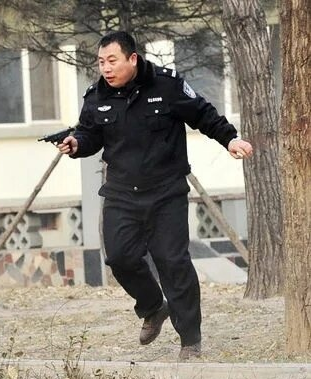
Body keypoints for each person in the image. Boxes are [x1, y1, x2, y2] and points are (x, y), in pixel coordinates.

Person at [57, 31, 253, 360]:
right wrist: (76, 144)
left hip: (166, 192)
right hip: (121, 193)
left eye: (112, 61)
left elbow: (204, 115)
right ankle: (152, 307)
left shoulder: (167, 86)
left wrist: (230, 139)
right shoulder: (96, 96)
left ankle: (190, 339)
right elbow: (89, 134)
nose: (106, 68)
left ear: (132, 59)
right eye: (101, 62)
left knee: (173, 263)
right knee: (119, 257)